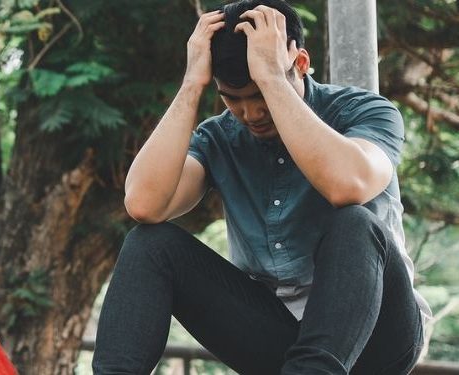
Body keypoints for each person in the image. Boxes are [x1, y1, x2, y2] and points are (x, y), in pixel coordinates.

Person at [91, 0, 431, 373]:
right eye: (231, 99)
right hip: (277, 336)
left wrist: (271, 77)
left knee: (355, 222)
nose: (250, 114)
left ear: (300, 63)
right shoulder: (219, 138)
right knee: (149, 244)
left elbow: (347, 186)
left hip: (379, 333)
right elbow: (144, 204)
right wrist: (192, 85)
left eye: (259, 96)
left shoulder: (366, 112)